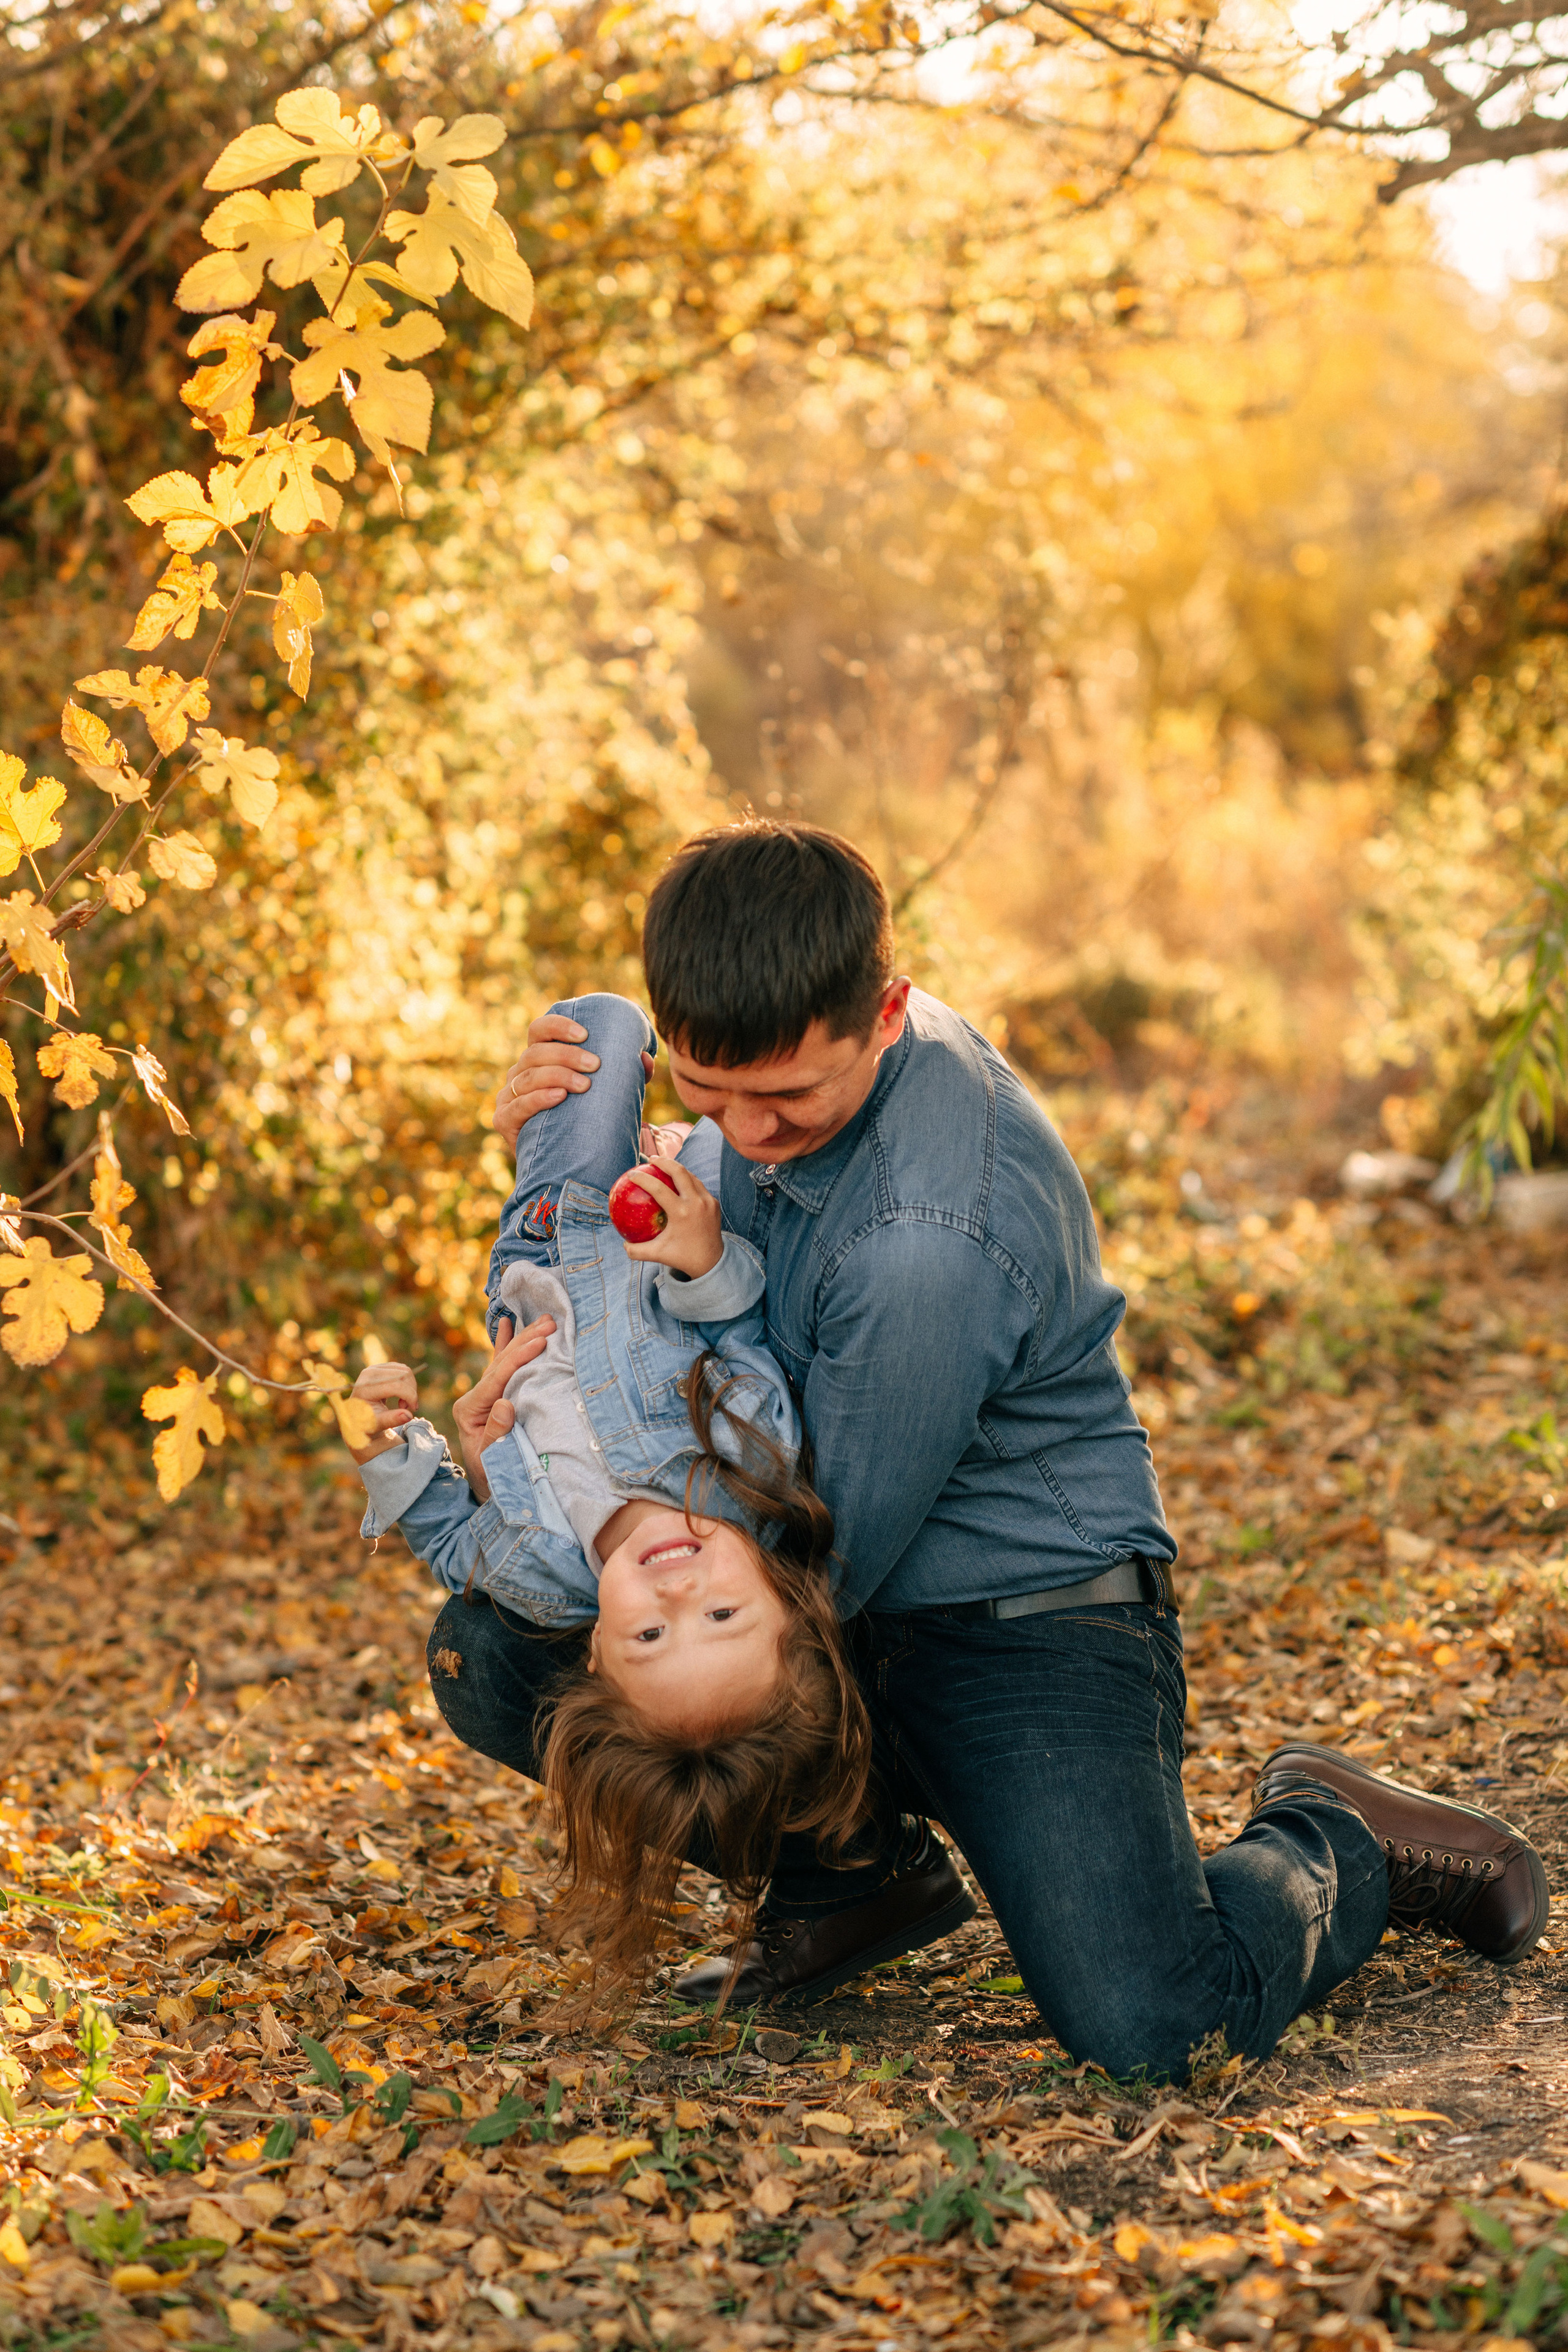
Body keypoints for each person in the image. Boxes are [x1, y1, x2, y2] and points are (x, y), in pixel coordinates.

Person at [445, 821, 1549, 2081]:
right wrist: (549, 1194)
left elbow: (809, 1559)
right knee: (489, 1647)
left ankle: (1336, 1832)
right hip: (818, 1569)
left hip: (1015, 1616)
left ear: (886, 1011)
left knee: (1151, 2021)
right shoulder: (792, 1044)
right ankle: (852, 1884)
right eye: (704, 1090)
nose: (743, 1135)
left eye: (785, 1099)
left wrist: (572, 1510)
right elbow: (662, 1343)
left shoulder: (927, 1240)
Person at [340, 995, 873, 1986]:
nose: (676, 1598)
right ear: (780, 1595)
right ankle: (699, 1104)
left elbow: (451, 1540)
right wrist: (700, 1262)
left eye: (649, 1638)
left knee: (596, 1025)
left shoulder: (542, 1578)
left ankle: (619, 1109)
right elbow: (739, 1341)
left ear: (592, 1649)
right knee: (688, 1068)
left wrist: (391, 1447)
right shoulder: (748, 1472)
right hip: (650, 1230)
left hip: (541, 1241)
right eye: (722, 1613)